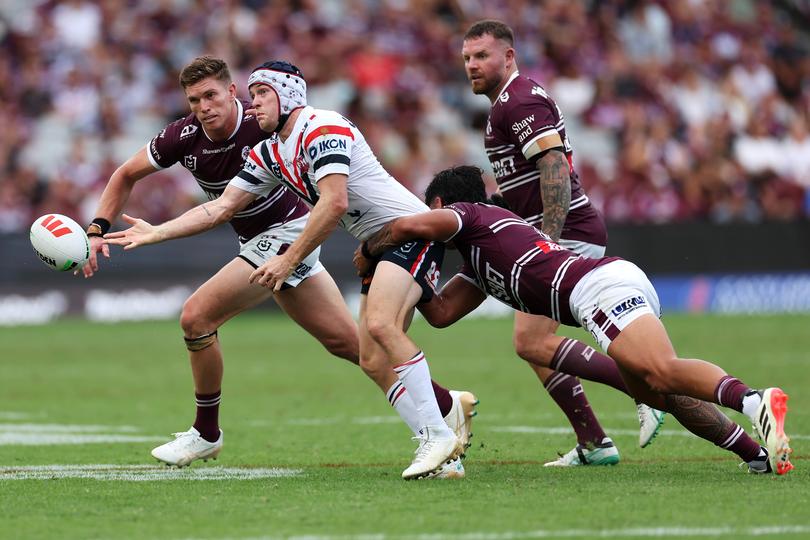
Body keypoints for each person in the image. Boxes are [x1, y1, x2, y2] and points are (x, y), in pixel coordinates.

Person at [93, 56, 475, 476]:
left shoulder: (306, 126)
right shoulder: (260, 147)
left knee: (196, 316)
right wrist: (151, 231)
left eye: (214, 95)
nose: (204, 106)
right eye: (194, 100)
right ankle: (444, 407)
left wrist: (288, 258)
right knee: (355, 348)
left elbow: (334, 202)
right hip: (325, 241)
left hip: (313, 231)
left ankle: (206, 433)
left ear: (235, 92)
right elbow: (216, 207)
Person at [355, 165, 793, 476]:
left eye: (431, 210)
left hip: (599, 288)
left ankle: (755, 401)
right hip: (599, 291)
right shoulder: (477, 257)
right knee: (659, 390)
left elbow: (409, 226)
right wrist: (398, 277)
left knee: (661, 370)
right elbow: (442, 314)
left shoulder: (471, 214)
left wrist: (373, 249)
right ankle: (756, 454)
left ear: (439, 205)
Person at [461, 20, 663, 466]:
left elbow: (553, 164)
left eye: (482, 56)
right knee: (536, 348)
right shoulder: (505, 105)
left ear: (509, 57)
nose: (473, 66)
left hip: (568, 232)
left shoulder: (518, 100)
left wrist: (547, 240)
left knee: (531, 343)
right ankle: (595, 441)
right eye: (468, 59)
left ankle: (648, 390)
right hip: (556, 232)